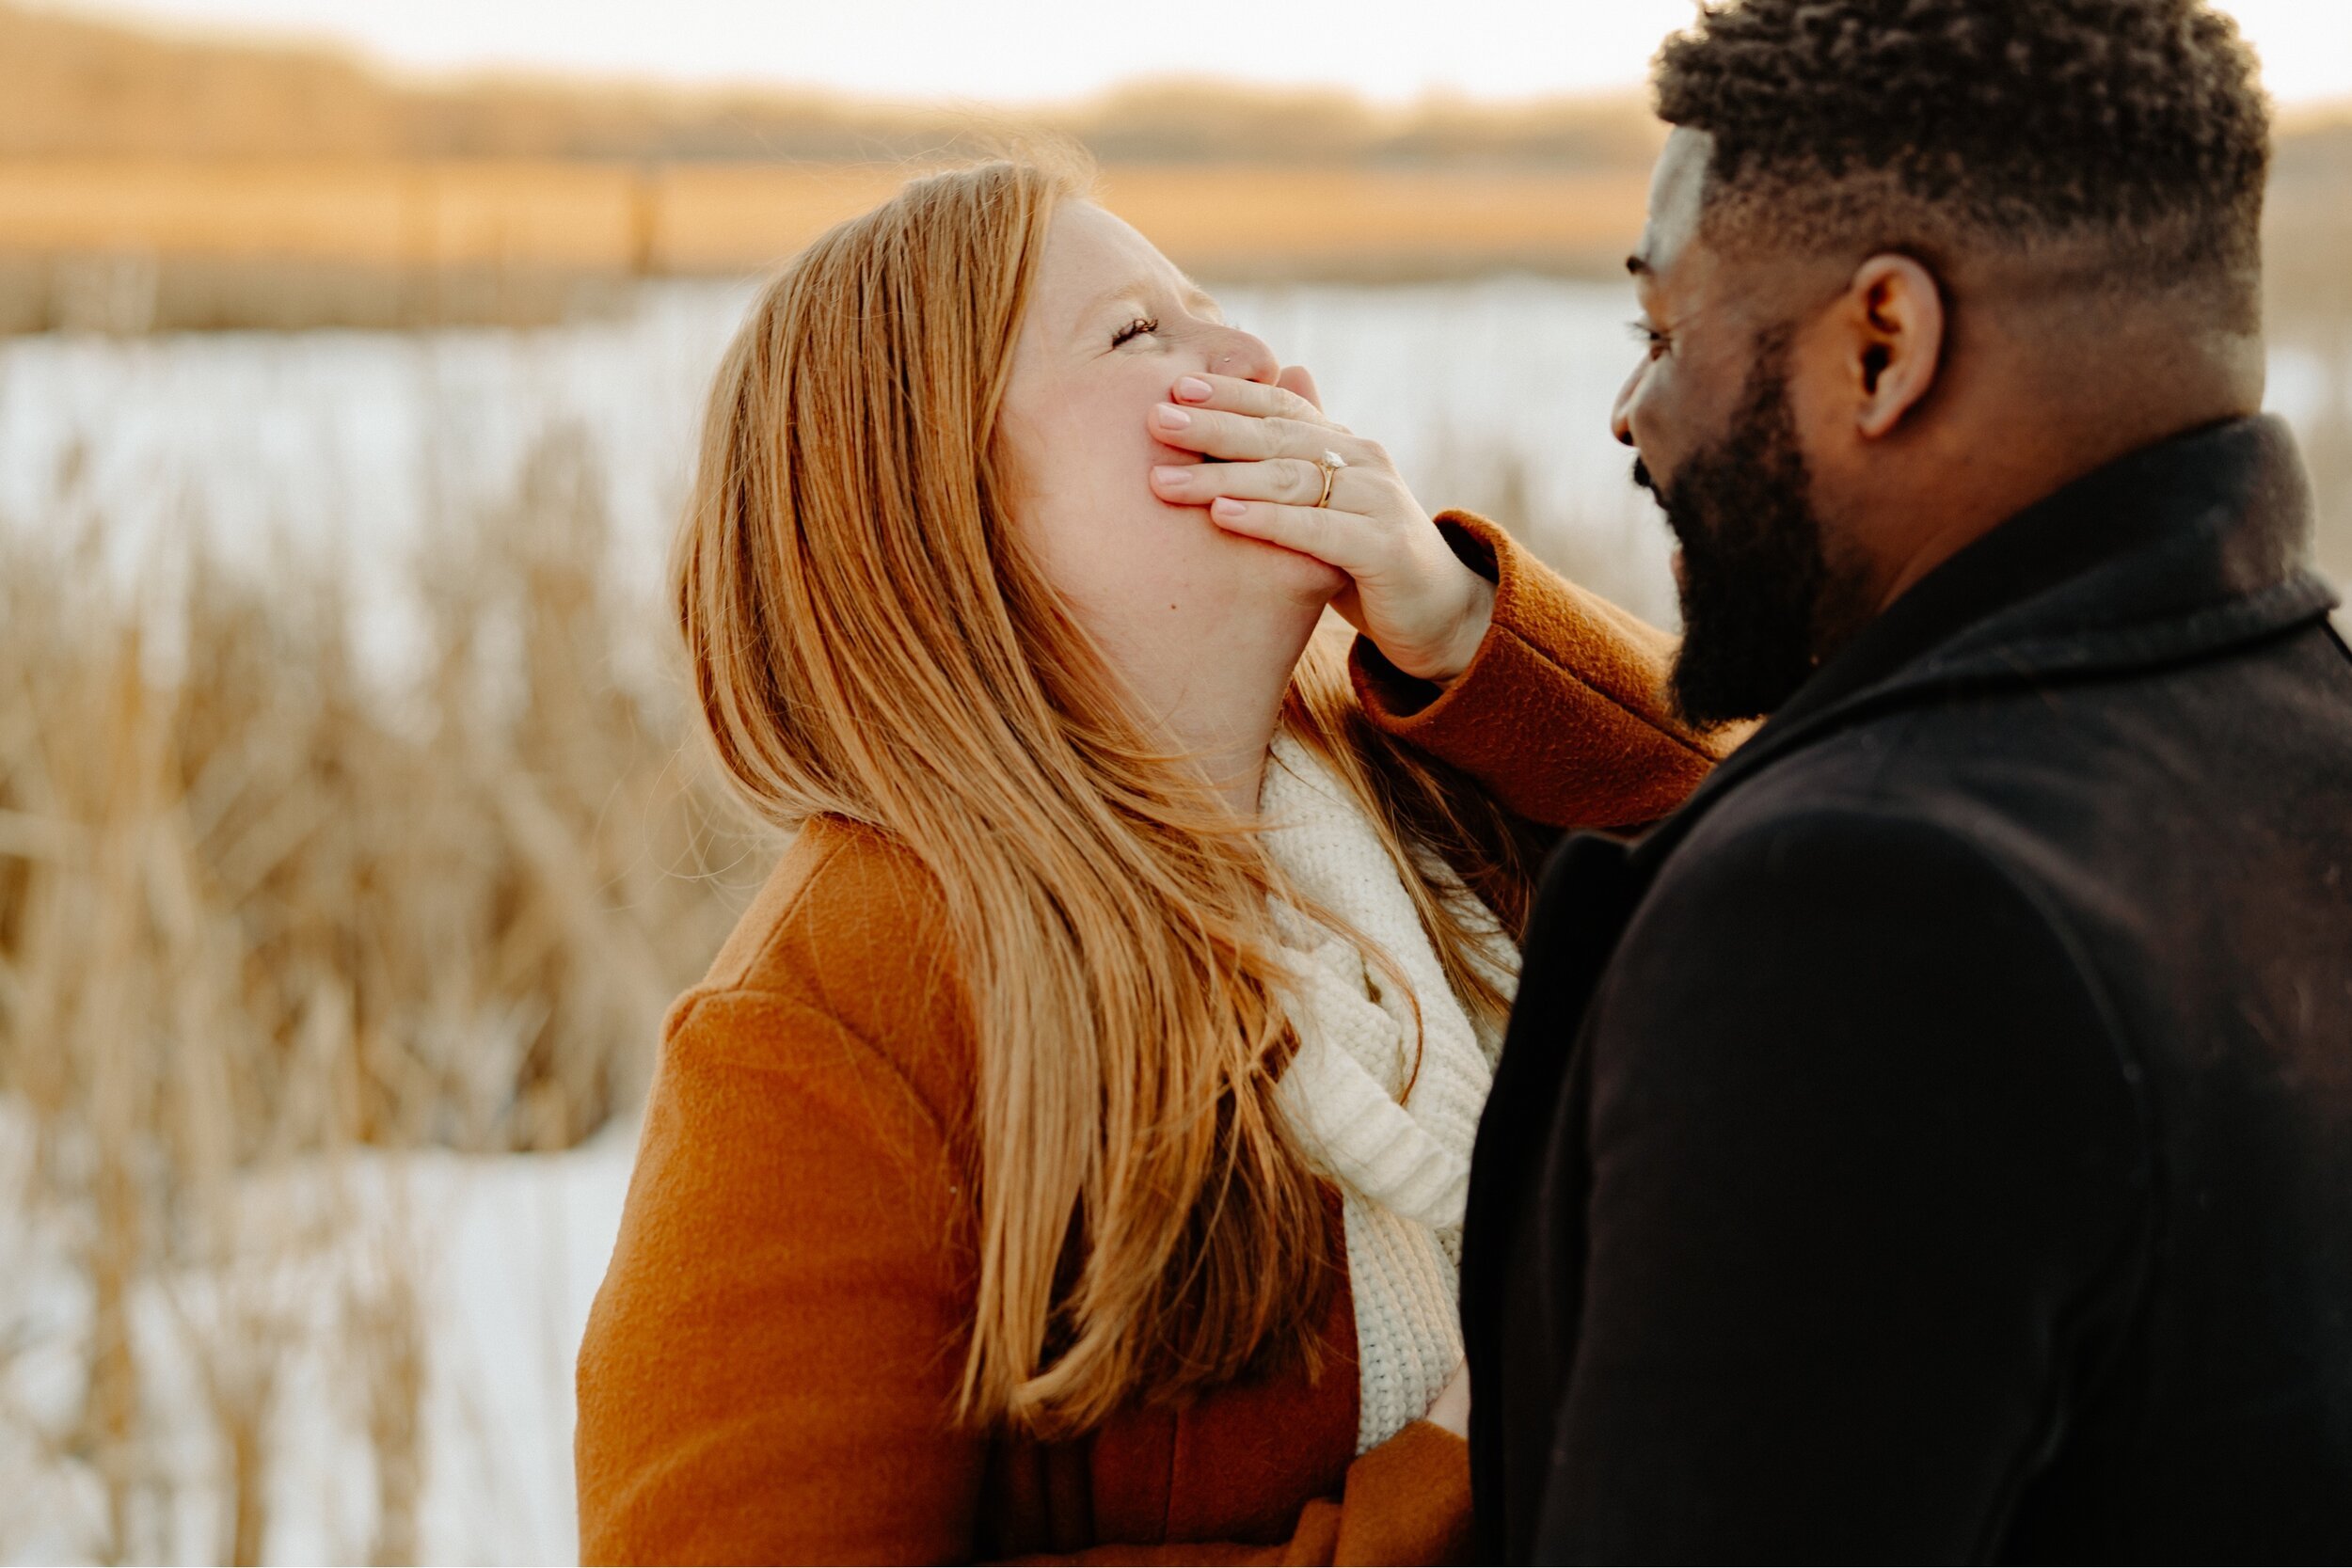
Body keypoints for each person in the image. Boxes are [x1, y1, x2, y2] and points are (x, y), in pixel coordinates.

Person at [573, 150, 1724, 1563]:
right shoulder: (833, 1023)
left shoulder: (1433, 770)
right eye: (1139, 335)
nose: (1258, 360)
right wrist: (1462, 1472)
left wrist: (1464, 633)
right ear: (940, 519)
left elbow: (1801, 889)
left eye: (1210, 309)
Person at [1462, 0, 2352, 1560]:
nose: (1631, 415)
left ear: (1884, 344)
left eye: (1664, 334)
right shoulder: (2303, 725)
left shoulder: (1858, 914)